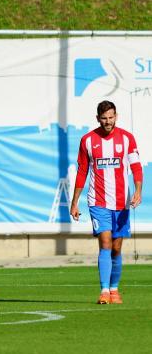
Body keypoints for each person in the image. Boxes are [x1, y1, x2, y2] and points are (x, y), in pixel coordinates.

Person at [70, 100, 142, 304]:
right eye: (104, 118)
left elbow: (136, 167)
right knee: (105, 243)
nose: (108, 122)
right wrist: (75, 202)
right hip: (97, 201)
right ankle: (103, 291)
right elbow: (82, 171)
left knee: (117, 248)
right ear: (97, 118)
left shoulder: (127, 139)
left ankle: (114, 289)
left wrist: (137, 191)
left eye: (111, 117)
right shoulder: (88, 140)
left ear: (116, 116)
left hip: (121, 202)